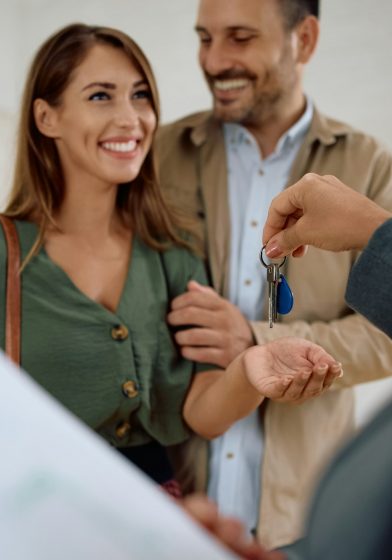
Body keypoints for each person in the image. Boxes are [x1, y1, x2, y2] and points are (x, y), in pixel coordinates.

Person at [0, 24, 341, 493]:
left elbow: (198, 408)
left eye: (140, 96)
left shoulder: (171, 251)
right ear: (46, 117)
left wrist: (250, 371)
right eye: (100, 96)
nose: (130, 118)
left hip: (150, 512)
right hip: (27, 509)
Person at [155, 0, 392, 548]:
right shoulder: (162, 153)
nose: (213, 61)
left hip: (302, 519)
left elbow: (387, 331)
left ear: (303, 39)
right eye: (204, 38)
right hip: (178, 499)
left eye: (239, 37)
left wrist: (259, 339)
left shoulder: (370, 165)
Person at [186, 181, 392, 559]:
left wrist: (375, 230)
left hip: (295, 495)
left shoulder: (370, 162)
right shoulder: (172, 159)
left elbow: (382, 343)